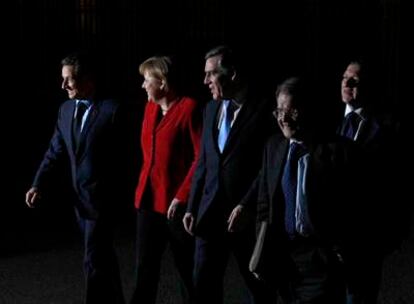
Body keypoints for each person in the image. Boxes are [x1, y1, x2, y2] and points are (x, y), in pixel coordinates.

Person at [25, 52, 125, 304]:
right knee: (103, 259)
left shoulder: (112, 110)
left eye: (69, 79)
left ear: (88, 79)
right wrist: (38, 183)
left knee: (92, 261)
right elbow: (55, 150)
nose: (63, 85)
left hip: (102, 202)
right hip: (78, 201)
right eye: (63, 79)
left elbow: (125, 158)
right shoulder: (65, 109)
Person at [182, 45, 274, 304]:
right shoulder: (210, 109)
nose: (205, 81)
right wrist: (192, 205)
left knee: (258, 287)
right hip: (209, 212)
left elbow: (268, 167)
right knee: (203, 286)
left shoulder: (263, 109)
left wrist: (247, 204)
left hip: (245, 217)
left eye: (211, 74)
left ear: (232, 74)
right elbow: (204, 161)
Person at [248, 77, 351, 303]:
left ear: (308, 110)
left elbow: (350, 204)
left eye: (291, 111)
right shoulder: (273, 148)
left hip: (319, 259)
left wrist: (340, 251)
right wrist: (261, 247)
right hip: (283, 258)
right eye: (279, 111)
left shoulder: (336, 152)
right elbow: (264, 205)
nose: (283, 118)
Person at [130, 55, 202, 304]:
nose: (142, 86)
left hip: (176, 205)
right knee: (144, 269)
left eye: (146, 80)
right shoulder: (150, 108)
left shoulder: (189, 108)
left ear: (162, 82)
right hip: (148, 200)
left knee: (186, 270)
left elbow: (200, 157)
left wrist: (183, 195)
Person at [337, 60, 400, 304]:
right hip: (328, 238)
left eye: (355, 80)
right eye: (344, 77)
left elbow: (394, 185)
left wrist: (388, 237)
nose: (346, 82)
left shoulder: (388, 129)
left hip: (365, 239)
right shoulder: (328, 121)